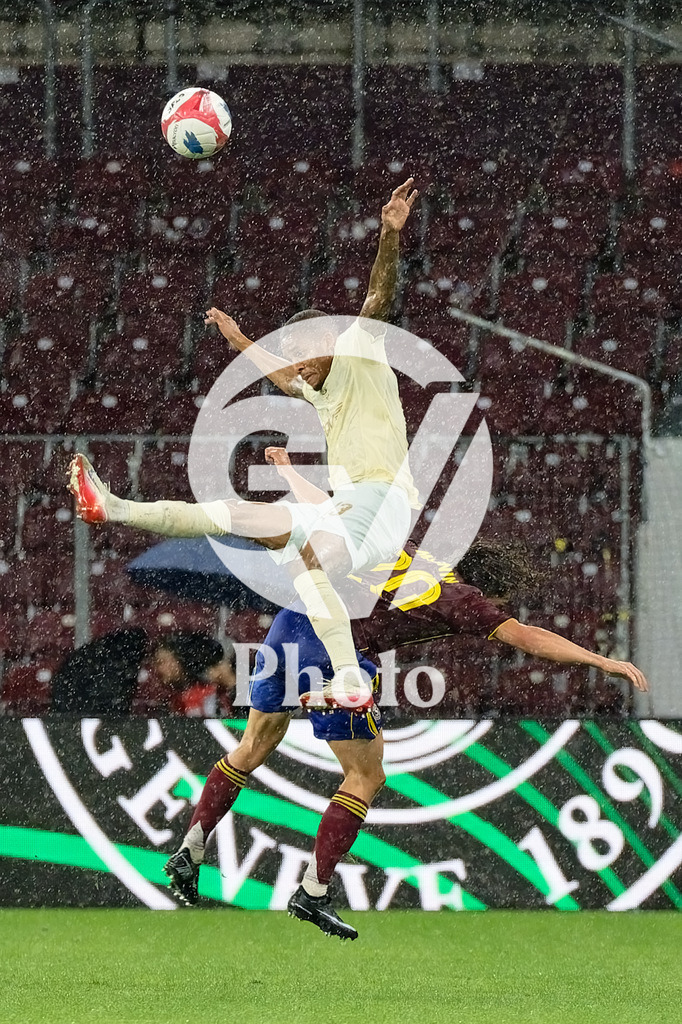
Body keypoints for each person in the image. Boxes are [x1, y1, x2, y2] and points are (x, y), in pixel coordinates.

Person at [161, 448, 648, 941]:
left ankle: (190, 849)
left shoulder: (409, 547)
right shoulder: (464, 601)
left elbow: (329, 513)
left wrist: (289, 472)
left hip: (289, 624)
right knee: (366, 774)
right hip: (332, 647)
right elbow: (527, 637)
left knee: (251, 748)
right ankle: (313, 890)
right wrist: (599, 660)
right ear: (491, 591)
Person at [68, 177, 420, 715]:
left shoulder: (357, 348)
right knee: (241, 517)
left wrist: (389, 236)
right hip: (348, 508)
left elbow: (378, 298)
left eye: (302, 349)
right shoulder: (317, 385)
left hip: (385, 504)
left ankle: (350, 675)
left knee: (310, 556)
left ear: (329, 339)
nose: (296, 361)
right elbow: (284, 378)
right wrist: (238, 340)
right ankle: (114, 507)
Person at [150, 632, 235, 717]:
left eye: (162, 662)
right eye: (157, 663)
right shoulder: (168, 698)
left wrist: (232, 684)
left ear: (178, 660)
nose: (159, 668)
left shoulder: (211, 690)